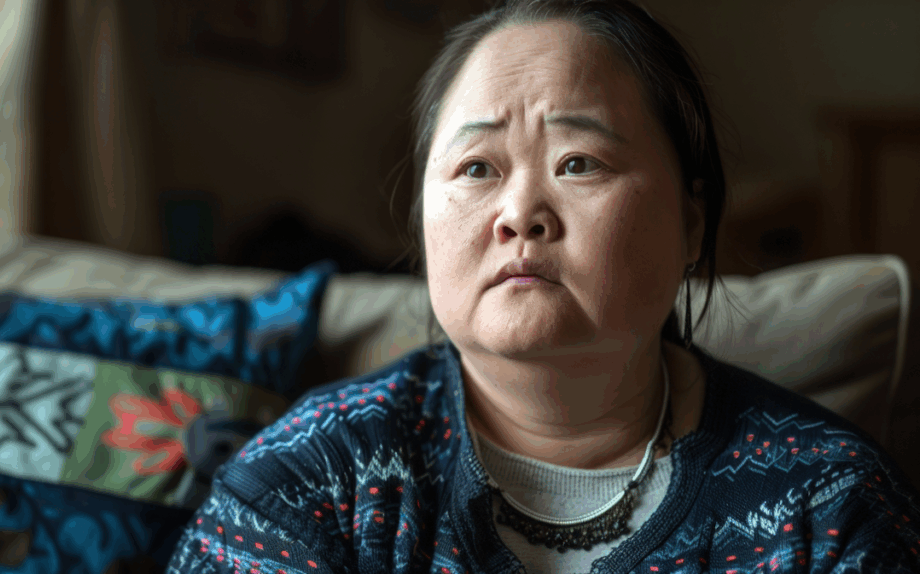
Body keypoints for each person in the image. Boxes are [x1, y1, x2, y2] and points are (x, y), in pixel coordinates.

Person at [167, 1, 920, 572]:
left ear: (692, 226)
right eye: (477, 169)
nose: (519, 212)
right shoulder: (310, 481)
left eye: (578, 163)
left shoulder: (824, 502)